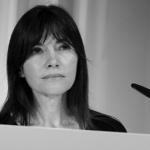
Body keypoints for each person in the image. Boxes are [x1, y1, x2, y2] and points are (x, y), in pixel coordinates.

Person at [0, 5, 126, 132]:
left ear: (78, 58)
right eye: (37, 50)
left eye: (63, 47)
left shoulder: (110, 131)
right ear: (20, 67)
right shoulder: (3, 129)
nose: (53, 61)